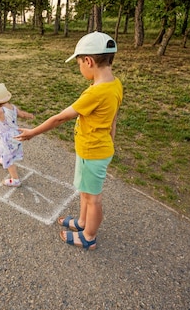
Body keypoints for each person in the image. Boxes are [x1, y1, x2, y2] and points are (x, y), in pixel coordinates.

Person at [16, 32, 122, 250]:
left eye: (79, 63)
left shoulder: (95, 93)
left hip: (93, 152)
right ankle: (83, 222)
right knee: (85, 191)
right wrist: (111, 142)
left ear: (89, 61)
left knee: (93, 199)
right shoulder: (115, 84)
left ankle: (89, 236)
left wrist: (32, 133)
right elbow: (113, 119)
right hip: (94, 149)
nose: (79, 67)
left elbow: (60, 118)